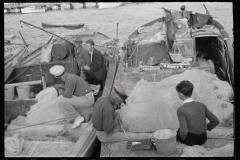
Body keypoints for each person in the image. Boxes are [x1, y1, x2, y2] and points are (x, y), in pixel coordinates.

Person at [175, 80, 219, 146]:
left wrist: (182, 140)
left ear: (181, 94)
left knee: (179, 131)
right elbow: (215, 120)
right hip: (203, 138)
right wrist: (207, 128)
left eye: (178, 93)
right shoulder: (201, 105)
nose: (178, 94)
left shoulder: (181, 110)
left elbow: (184, 131)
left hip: (191, 141)